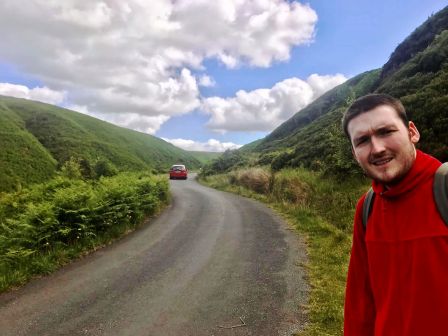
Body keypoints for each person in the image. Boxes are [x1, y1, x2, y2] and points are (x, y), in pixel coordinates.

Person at [341, 93, 448, 335]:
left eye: (386, 132)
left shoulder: (444, 189)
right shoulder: (366, 208)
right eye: (362, 141)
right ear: (354, 153)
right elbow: (360, 302)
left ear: (412, 132)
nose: (377, 148)